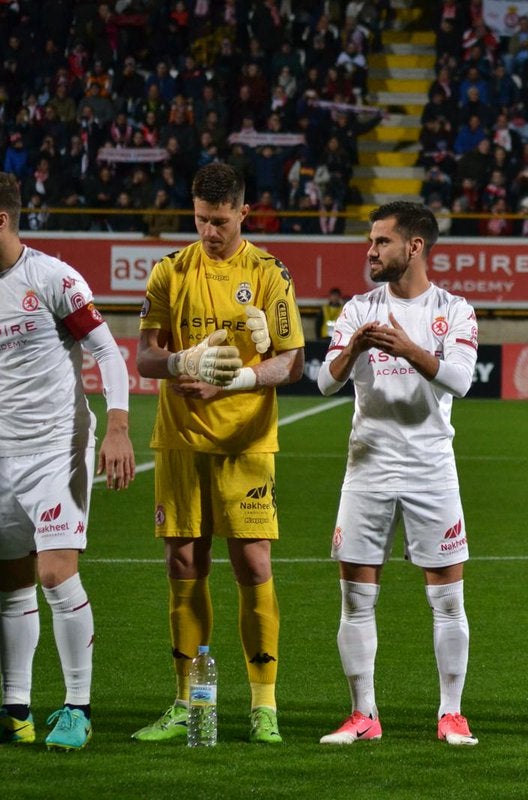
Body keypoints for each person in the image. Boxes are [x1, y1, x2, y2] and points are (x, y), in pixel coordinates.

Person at [132, 162, 305, 744]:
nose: (210, 232)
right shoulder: (169, 272)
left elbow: (293, 361)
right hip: (180, 440)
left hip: (247, 442)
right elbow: (146, 357)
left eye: (221, 221)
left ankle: (265, 707)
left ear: (243, 213)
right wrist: (184, 362)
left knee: (252, 564)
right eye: (202, 220)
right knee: (184, 563)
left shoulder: (267, 273)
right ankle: (185, 702)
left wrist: (233, 381)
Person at [315, 201, 480, 747]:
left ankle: (451, 714)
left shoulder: (454, 310)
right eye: (370, 241)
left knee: (447, 600)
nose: (370, 251)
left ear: (414, 247)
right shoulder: (359, 308)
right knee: (356, 598)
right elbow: (324, 382)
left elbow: (460, 380)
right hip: (367, 468)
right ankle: (363, 714)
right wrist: (354, 347)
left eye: (381, 241)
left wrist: (409, 349)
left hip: (432, 468)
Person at [0, 172, 135, 750]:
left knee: (54, 571)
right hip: (2, 453)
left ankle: (77, 707)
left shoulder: (51, 277)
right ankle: (16, 711)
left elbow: (105, 349)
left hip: (58, 446)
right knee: (9, 585)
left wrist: (119, 428)